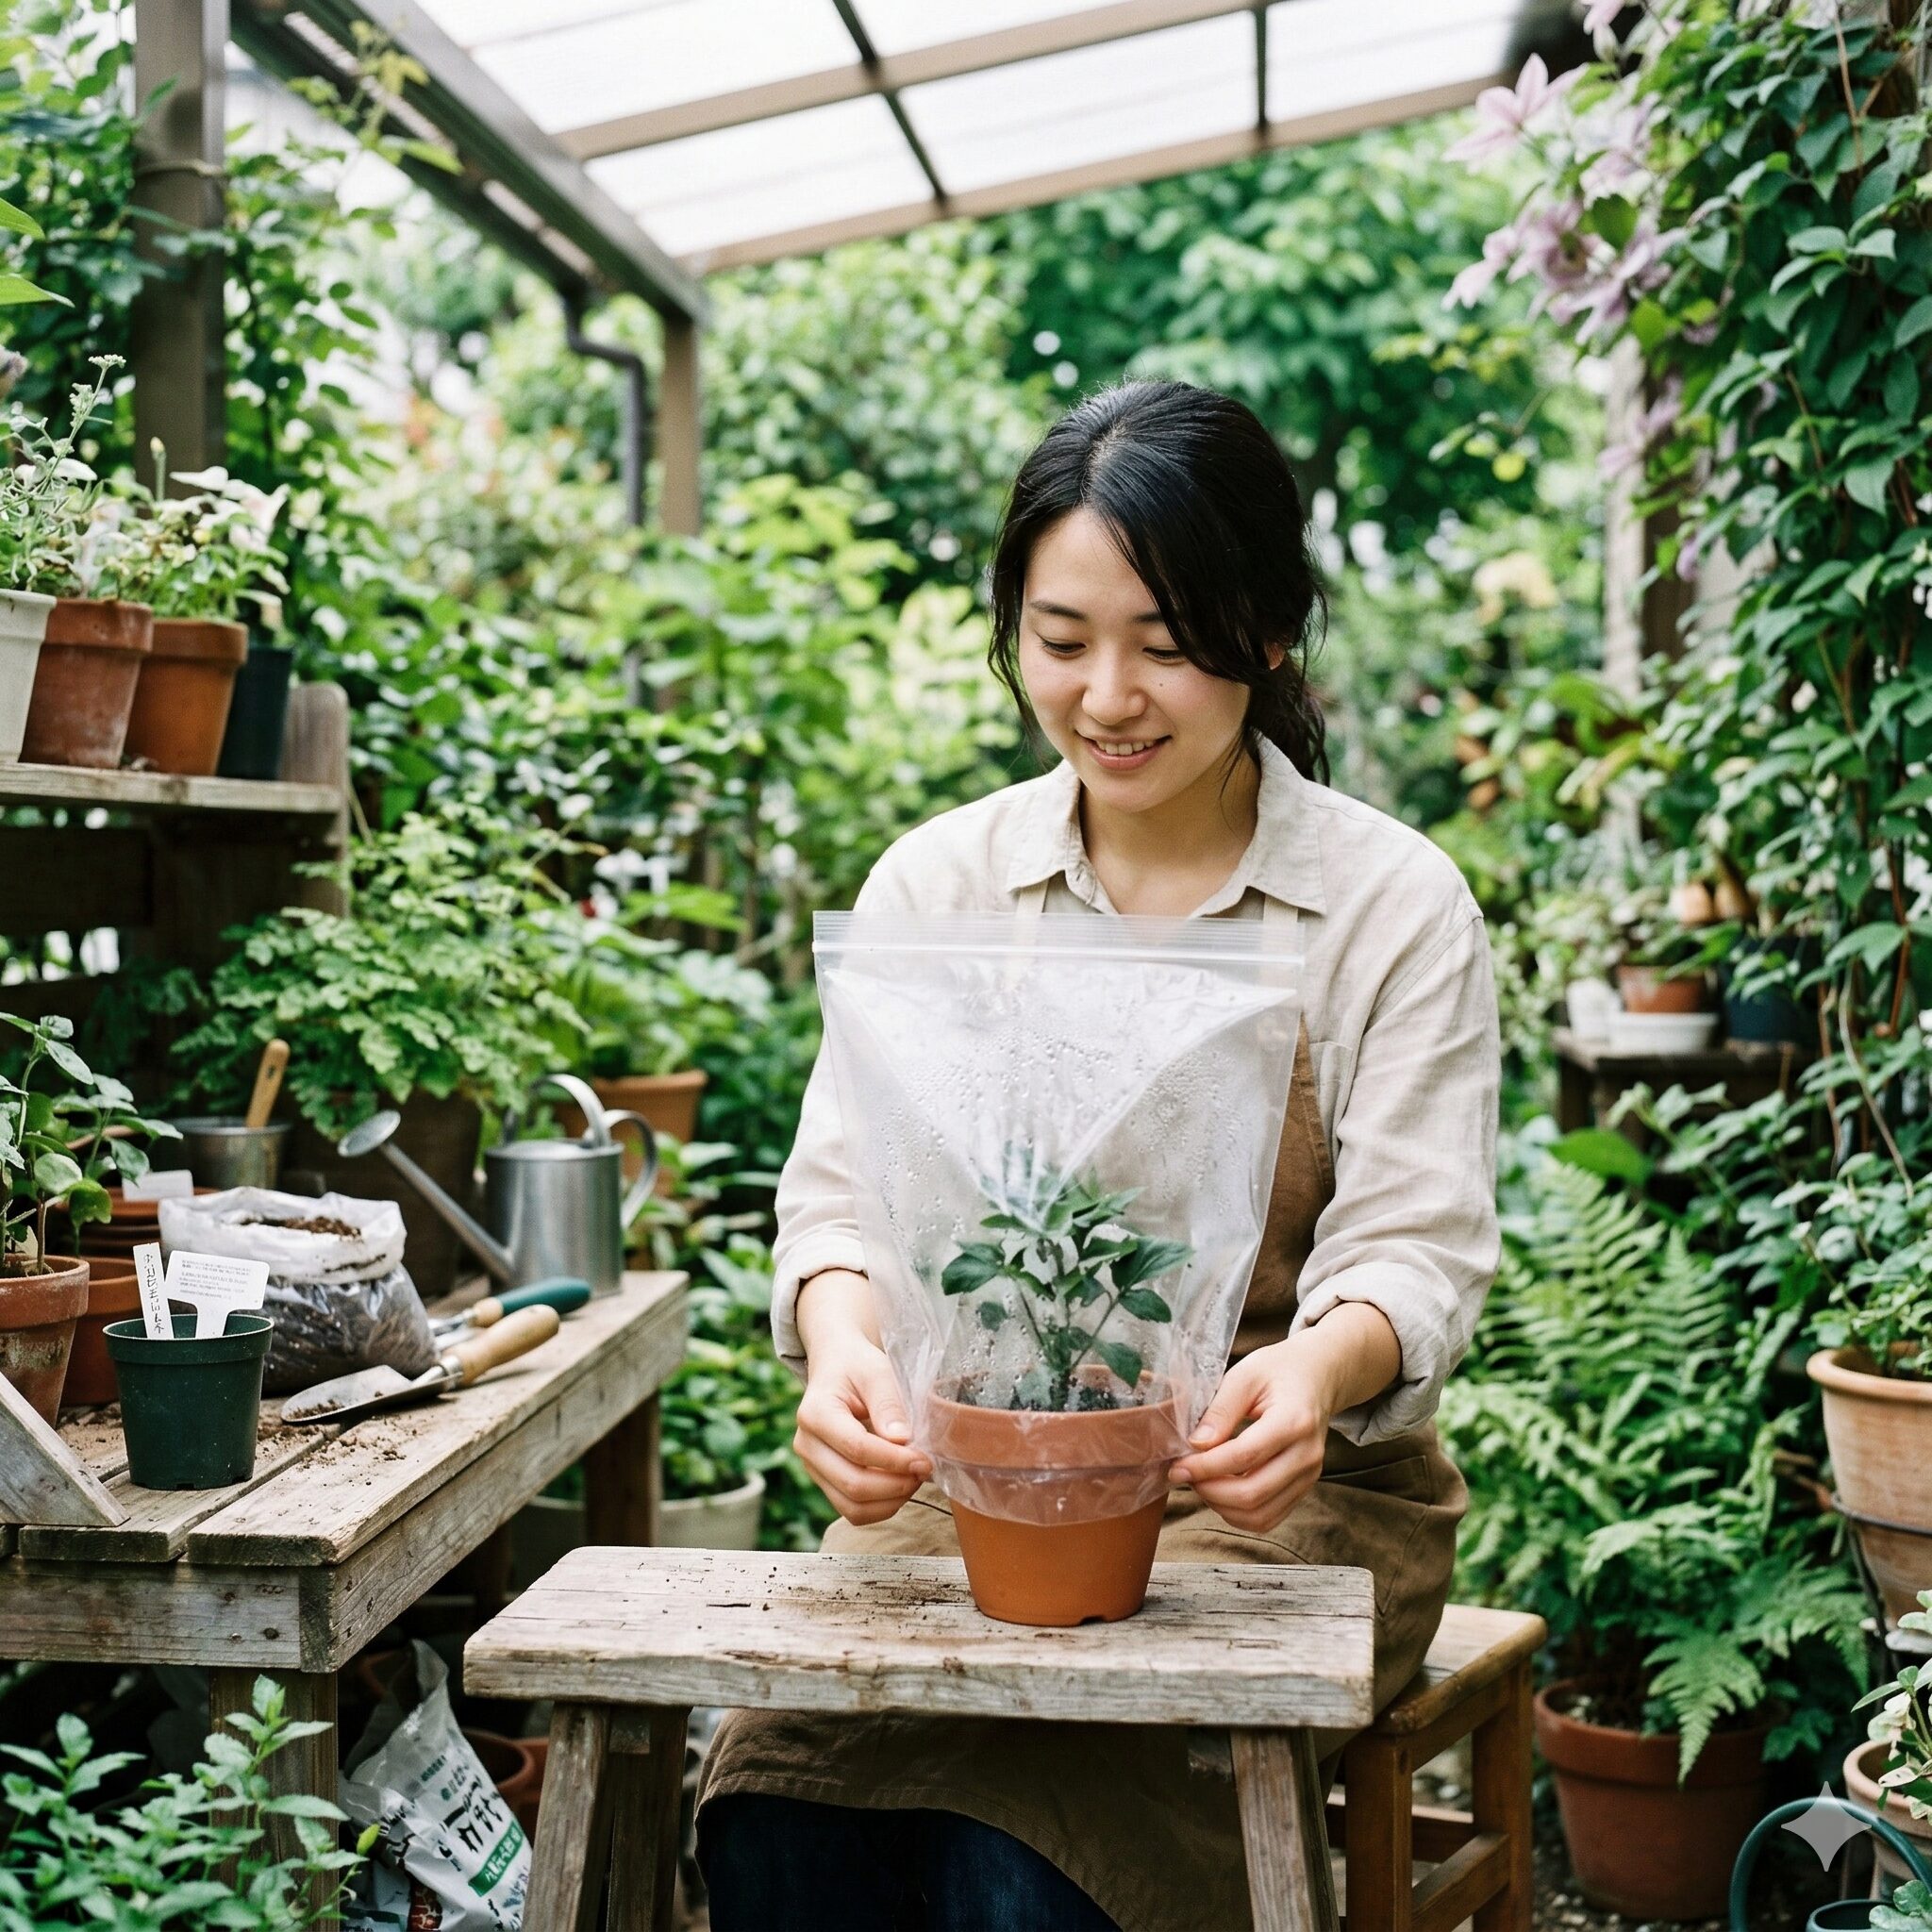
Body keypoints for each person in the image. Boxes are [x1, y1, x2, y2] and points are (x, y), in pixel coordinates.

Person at [696, 379, 1501, 1932]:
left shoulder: (1389, 906)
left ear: (1269, 633)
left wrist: (1313, 1375)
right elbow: (843, 1200)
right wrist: (845, 1349)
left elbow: (1417, 1244)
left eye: (1167, 643)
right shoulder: (945, 885)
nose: (1110, 696)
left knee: (1029, 1873)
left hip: (1282, 1494)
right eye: (1061, 642)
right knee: (782, 1812)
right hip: (973, 1484)